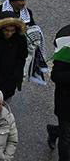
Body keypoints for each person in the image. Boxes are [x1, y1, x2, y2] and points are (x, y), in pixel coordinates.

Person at [49, 23, 70, 159]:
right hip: (67, 101)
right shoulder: (66, 40)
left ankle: (54, 131)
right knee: (66, 138)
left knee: (66, 132)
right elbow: (56, 75)